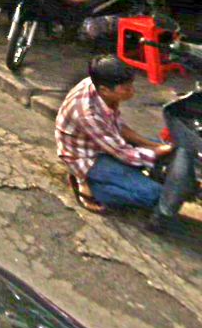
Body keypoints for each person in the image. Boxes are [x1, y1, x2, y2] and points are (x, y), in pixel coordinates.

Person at [55, 57, 184, 230]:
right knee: (156, 194)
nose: (132, 92)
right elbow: (124, 153)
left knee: (162, 150)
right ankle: (90, 187)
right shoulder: (88, 113)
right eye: (126, 88)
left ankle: (127, 177)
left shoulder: (99, 86)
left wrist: (154, 146)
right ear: (105, 90)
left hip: (106, 143)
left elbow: (118, 127)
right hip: (88, 158)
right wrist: (157, 151)